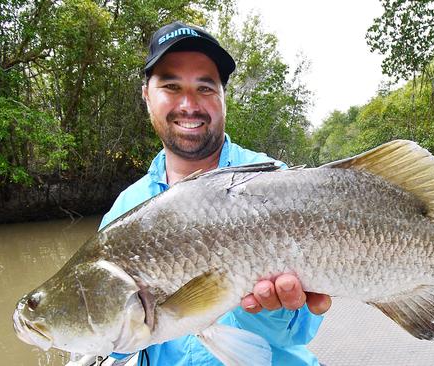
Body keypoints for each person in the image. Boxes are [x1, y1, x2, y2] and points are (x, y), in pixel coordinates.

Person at [98, 21, 331, 366]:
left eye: (205, 88)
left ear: (223, 97)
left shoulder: (276, 183)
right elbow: (119, 346)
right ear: (147, 95)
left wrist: (269, 307)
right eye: (171, 86)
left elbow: (299, 332)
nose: (189, 104)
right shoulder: (125, 210)